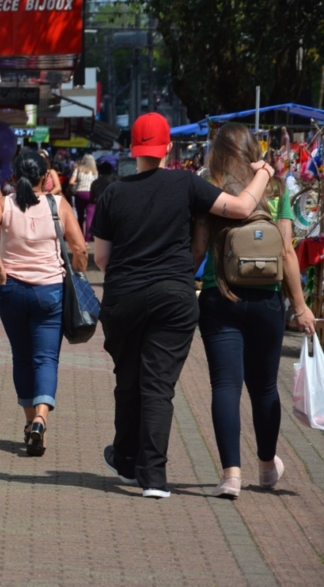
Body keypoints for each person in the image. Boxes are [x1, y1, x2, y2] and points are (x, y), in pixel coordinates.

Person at [92, 112, 277, 499]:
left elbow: (102, 260)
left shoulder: (112, 192)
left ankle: (125, 458)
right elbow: (242, 209)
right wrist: (263, 172)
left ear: (133, 149)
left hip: (123, 298)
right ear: (169, 148)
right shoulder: (186, 184)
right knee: (158, 385)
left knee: (127, 382)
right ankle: (153, 479)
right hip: (173, 298)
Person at [191, 123, 315, 498]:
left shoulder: (209, 186)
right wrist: (300, 305)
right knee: (263, 387)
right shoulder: (276, 190)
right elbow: (287, 252)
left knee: (225, 385)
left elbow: (197, 248)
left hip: (219, 296)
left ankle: (230, 475)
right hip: (267, 301)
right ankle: (265, 467)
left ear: (218, 152)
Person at [0, 151, 88, 456]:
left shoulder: (5, 203)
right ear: (46, 177)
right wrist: (77, 276)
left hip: (11, 289)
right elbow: (79, 248)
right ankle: (41, 418)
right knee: (46, 359)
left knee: (22, 356)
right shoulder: (58, 205)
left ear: (15, 177)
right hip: (50, 291)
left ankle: (29, 422)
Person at [69, 154, 98, 240]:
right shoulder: (95, 172)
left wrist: (77, 184)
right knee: (89, 217)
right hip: (90, 194)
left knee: (80, 217)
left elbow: (71, 182)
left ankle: (80, 237)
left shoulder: (78, 170)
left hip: (80, 193)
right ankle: (87, 240)